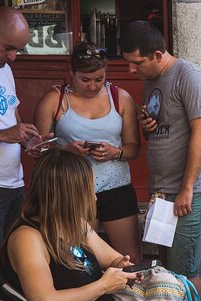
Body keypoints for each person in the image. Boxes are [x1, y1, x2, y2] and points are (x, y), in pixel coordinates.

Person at [0, 150, 198, 301]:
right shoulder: (28, 238)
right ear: (69, 194)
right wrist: (103, 285)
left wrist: (121, 265)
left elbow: (113, 258)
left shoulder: (73, 225)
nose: (94, 198)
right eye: (89, 190)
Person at [122, 21, 201, 299]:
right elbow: (162, 130)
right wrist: (146, 126)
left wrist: (186, 188)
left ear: (157, 55)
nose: (131, 70)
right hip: (162, 192)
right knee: (169, 269)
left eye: (136, 62)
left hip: (187, 191)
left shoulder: (189, 76)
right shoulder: (150, 79)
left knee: (185, 271)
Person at [33, 41, 142, 263]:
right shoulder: (56, 98)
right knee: (83, 261)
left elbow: (134, 148)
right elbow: (37, 149)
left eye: (98, 79)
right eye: (85, 79)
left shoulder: (120, 97)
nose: (92, 86)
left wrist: (115, 152)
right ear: (71, 73)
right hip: (72, 189)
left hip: (116, 186)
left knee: (130, 259)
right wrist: (66, 150)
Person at [0, 7, 43, 253]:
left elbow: (12, 113)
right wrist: (5, 135)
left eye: (18, 49)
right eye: (8, 48)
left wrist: (28, 140)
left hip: (14, 184)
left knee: (12, 260)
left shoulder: (4, 69)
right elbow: (6, 129)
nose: (13, 57)